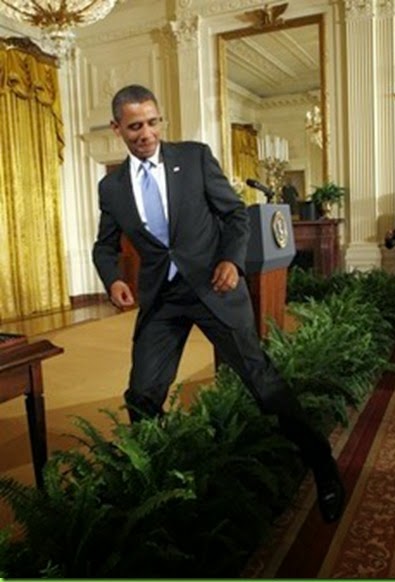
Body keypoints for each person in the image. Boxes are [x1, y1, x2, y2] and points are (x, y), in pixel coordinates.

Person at [92, 84, 345, 524]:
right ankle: (160, 488)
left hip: (215, 288)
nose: (146, 133)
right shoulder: (111, 187)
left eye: (152, 122)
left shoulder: (193, 158)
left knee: (263, 384)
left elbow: (234, 215)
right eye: (135, 127)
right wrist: (113, 279)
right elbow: (104, 245)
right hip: (162, 300)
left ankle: (322, 465)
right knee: (142, 393)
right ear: (117, 129)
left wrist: (231, 259)